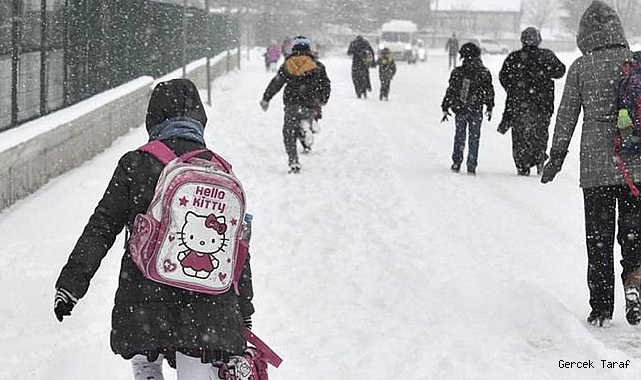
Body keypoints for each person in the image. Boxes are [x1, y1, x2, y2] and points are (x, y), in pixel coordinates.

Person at [53, 78, 255, 379]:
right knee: (198, 366)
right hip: (208, 309)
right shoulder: (219, 170)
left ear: (153, 118)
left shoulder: (136, 164)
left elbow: (102, 226)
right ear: (199, 118)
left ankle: (147, 368)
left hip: (144, 300)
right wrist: (244, 311)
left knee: (145, 356)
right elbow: (235, 249)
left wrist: (71, 284)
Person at [541, 0, 641, 328]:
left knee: (598, 238)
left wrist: (556, 157)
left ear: (584, 34)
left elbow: (567, 116)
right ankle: (634, 284)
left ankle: (600, 309)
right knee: (633, 234)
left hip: (596, 169)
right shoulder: (634, 63)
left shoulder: (582, 68)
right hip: (634, 165)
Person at [498, 27, 566, 176]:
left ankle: (523, 164)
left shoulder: (514, 58)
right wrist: (545, 73)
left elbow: (503, 77)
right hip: (542, 104)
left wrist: (514, 89)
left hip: (519, 104)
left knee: (520, 136)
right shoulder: (546, 56)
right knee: (540, 134)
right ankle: (539, 158)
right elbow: (560, 71)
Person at [259, 36, 331, 173]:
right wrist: (323, 99)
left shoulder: (288, 64)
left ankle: (293, 161)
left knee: (289, 132)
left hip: (292, 103)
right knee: (305, 119)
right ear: (309, 49)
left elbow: (277, 83)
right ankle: (307, 128)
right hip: (310, 103)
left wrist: (266, 98)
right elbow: (325, 85)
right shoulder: (318, 66)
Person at [441, 42, 494, 175]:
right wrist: (489, 105)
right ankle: (471, 163)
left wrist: (446, 105)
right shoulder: (484, 72)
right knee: (474, 137)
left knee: (460, 135)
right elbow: (489, 90)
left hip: (460, 108)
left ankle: (457, 161)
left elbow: (451, 90)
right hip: (476, 108)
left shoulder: (458, 72)